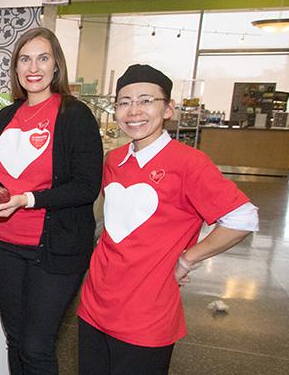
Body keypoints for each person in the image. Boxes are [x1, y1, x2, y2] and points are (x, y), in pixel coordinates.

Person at [77, 65, 258, 374]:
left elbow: (243, 217)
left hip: (147, 312)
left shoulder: (189, 163)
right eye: (124, 102)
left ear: (168, 108)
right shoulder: (114, 160)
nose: (133, 111)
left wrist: (189, 258)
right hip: (95, 303)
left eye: (146, 100)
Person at [0, 28, 104, 375]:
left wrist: (27, 199)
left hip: (55, 249)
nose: (33, 67)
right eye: (24, 59)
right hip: (4, 245)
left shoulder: (74, 115)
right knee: (16, 340)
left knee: (37, 347)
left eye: (42, 57)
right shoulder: (6, 117)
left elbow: (86, 186)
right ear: (16, 69)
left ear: (56, 66)